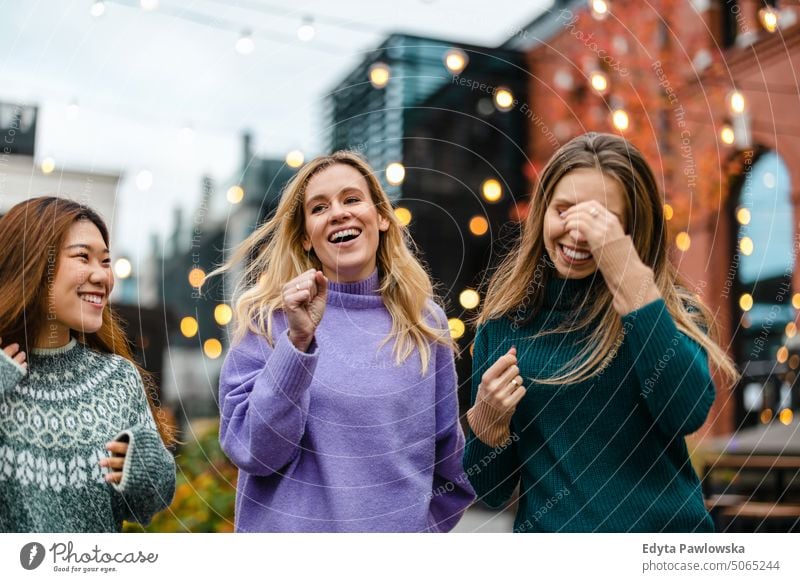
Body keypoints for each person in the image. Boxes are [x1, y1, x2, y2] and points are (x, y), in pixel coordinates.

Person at [463, 132, 738, 532]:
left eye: (600, 218)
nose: (577, 232)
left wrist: (630, 280)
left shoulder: (664, 311)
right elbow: (490, 492)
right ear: (542, 212)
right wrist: (488, 426)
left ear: (630, 229)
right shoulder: (505, 323)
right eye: (564, 210)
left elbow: (687, 413)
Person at [215, 151, 474, 532]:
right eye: (319, 207)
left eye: (352, 199)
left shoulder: (425, 323)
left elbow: (448, 464)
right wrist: (298, 343)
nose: (339, 212)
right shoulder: (269, 319)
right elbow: (251, 450)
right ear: (305, 235)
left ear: (382, 217)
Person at [0, 196, 176, 532]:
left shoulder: (118, 378)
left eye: (106, 261)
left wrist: (145, 467)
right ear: (34, 262)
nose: (102, 276)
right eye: (83, 257)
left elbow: (147, 506)